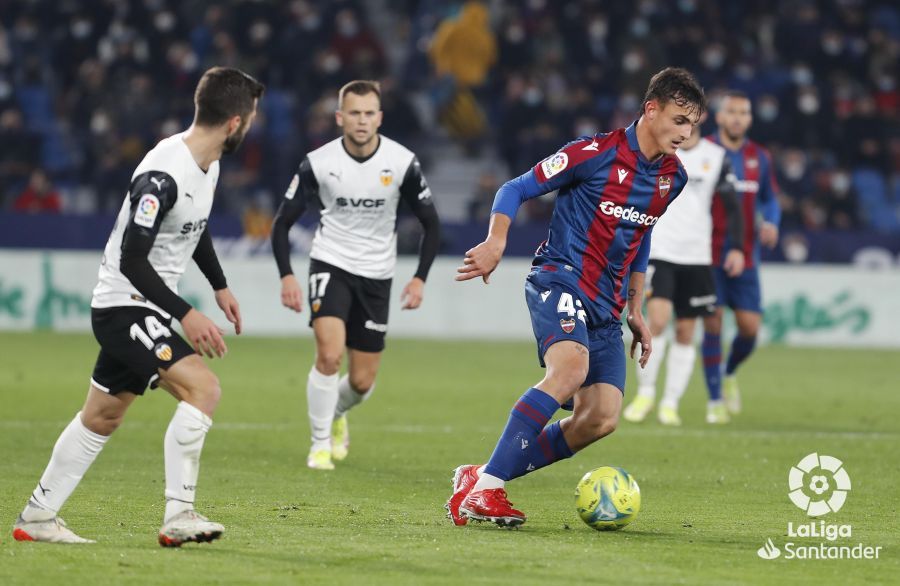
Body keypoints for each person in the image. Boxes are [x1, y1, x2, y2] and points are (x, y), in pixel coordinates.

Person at [11, 67, 264, 546]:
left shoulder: (207, 164)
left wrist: (219, 285)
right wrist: (188, 313)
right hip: (125, 307)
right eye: (250, 119)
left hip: (145, 310)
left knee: (102, 416)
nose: (251, 126)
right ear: (235, 123)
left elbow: (196, 224)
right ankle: (179, 514)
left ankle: (38, 517)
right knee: (203, 389)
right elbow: (132, 258)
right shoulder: (161, 175)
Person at [447, 67, 705, 527]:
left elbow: (641, 234)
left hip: (607, 305)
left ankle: (482, 475)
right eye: (680, 120)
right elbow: (515, 188)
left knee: (600, 419)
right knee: (570, 370)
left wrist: (636, 307)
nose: (687, 133)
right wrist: (495, 241)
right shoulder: (594, 153)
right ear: (652, 110)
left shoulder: (672, 177)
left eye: (693, 124)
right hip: (560, 279)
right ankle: (487, 492)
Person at [271, 80, 440, 471]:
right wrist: (287, 276)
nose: (362, 121)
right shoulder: (318, 162)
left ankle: (335, 413)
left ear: (379, 118)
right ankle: (318, 446)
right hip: (330, 263)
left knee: (362, 381)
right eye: (354, 113)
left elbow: (431, 223)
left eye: (369, 114)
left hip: (378, 274)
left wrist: (419, 278)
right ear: (340, 117)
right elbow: (282, 223)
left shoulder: (401, 162)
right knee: (329, 356)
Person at [621, 113, 745, 426]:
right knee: (658, 321)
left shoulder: (716, 158)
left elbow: (734, 208)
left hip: (697, 256)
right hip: (661, 251)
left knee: (686, 332)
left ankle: (670, 402)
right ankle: (646, 392)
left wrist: (737, 247)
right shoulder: (661, 151)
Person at [701, 91, 781, 421]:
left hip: (746, 256)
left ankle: (730, 371)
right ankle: (715, 400)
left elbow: (770, 199)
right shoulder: (702, 152)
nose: (737, 118)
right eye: (731, 111)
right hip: (706, 254)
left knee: (749, 329)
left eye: (744, 113)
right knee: (713, 323)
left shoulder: (758, 157)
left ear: (750, 118)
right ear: (719, 117)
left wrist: (772, 223)